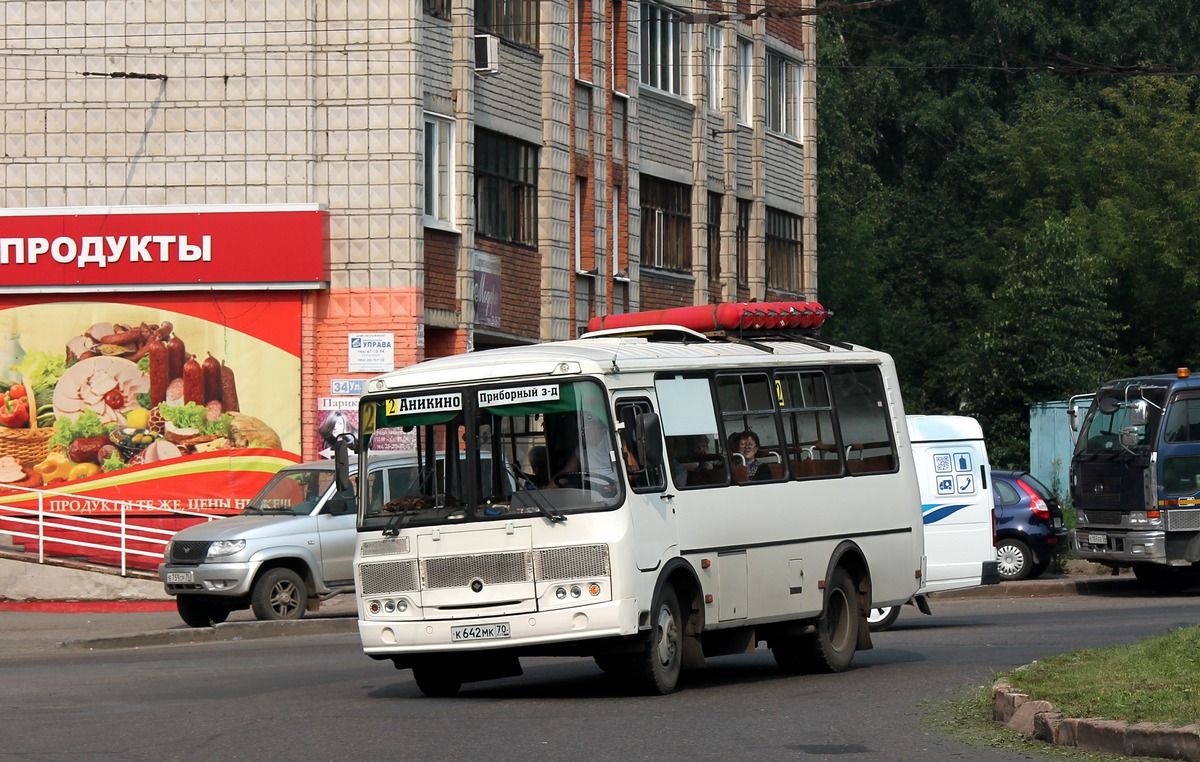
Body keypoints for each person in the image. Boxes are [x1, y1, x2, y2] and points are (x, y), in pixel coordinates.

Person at [554, 412, 618, 487]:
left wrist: (616, 486)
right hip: (589, 490)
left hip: (613, 491)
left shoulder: (612, 442)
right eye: (581, 430)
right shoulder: (581, 448)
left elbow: (631, 468)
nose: (582, 433)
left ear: (598, 427)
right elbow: (567, 471)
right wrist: (548, 489)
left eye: (586, 429)